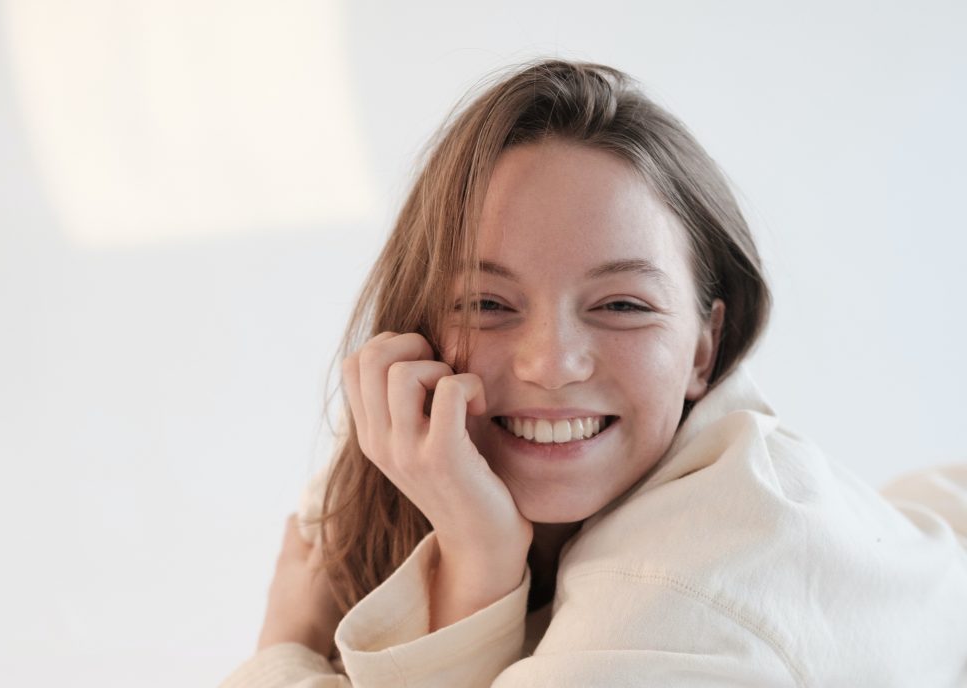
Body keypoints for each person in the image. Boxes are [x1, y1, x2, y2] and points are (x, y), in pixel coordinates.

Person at [221, 60, 967, 687]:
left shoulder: (687, 597)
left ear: (705, 349)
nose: (550, 365)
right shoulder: (432, 469)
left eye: (620, 304)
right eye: (486, 303)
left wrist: (280, 652)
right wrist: (475, 562)